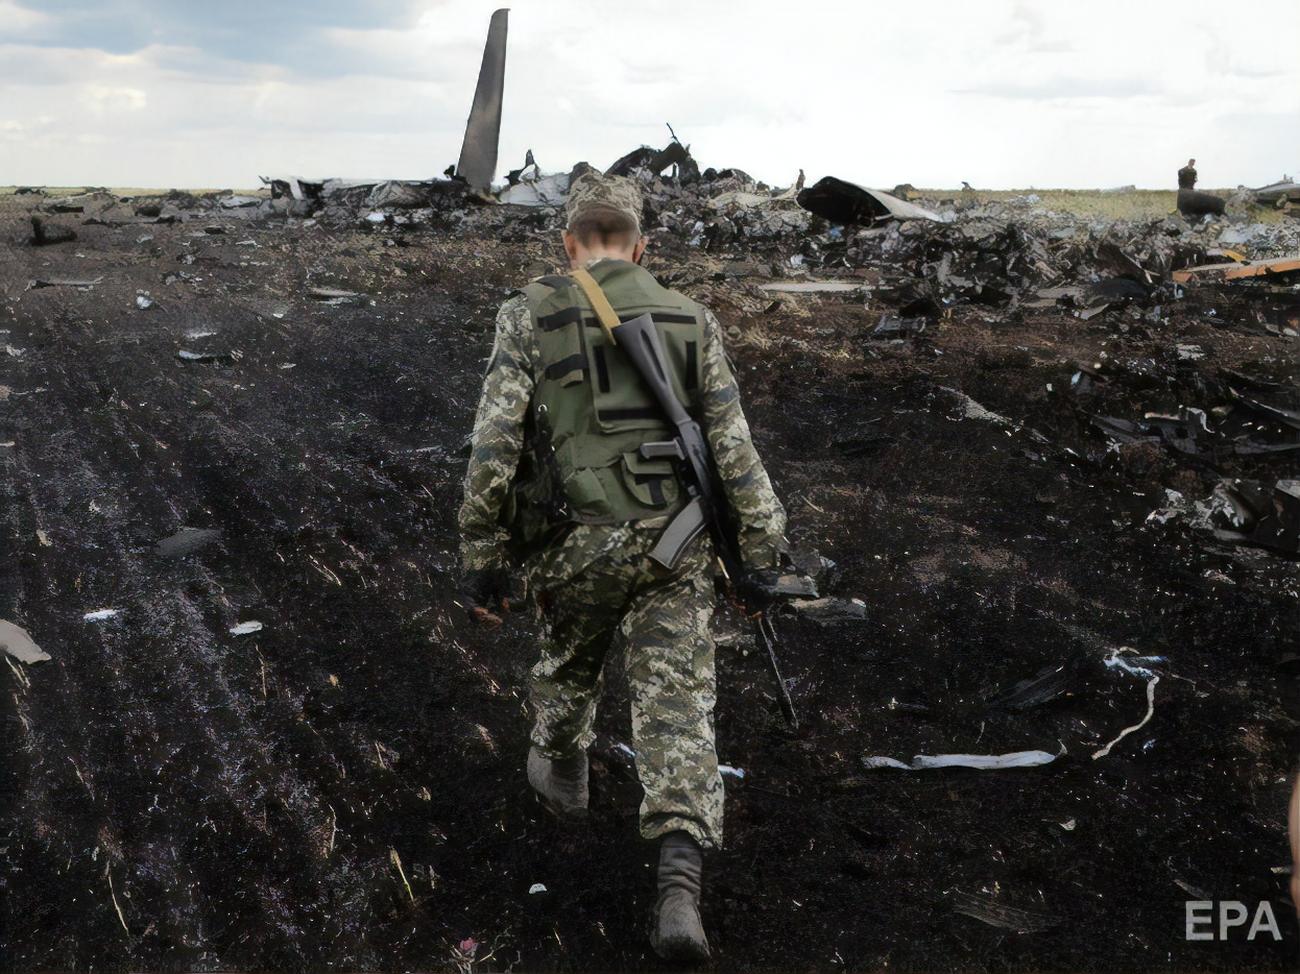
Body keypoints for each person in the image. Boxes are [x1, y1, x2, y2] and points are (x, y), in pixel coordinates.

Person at [457, 170, 787, 961]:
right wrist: (761, 556)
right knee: (677, 700)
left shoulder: (526, 314)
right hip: (674, 542)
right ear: (642, 245)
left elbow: (495, 443)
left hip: (576, 542)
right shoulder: (692, 318)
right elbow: (734, 449)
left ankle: (564, 772)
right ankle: (678, 882)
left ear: (568, 244)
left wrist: (483, 550)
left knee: (570, 662)